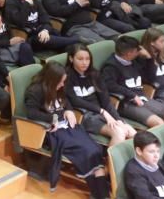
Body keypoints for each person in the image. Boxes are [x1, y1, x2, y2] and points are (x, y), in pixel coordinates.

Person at [24, 61, 109, 196]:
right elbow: (31, 113)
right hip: (52, 130)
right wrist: (52, 118)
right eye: (60, 82)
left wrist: (69, 110)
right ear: (51, 80)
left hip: (67, 126)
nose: (63, 85)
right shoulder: (35, 90)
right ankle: (100, 193)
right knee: (86, 152)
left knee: (95, 149)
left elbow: (65, 100)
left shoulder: (58, 87)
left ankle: (101, 192)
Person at [103, 35, 164, 127]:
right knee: (159, 123)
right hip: (126, 103)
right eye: (137, 50)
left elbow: (151, 77)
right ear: (129, 53)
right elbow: (109, 85)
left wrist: (149, 58)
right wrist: (132, 95)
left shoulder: (134, 61)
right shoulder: (110, 67)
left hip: (142, 98)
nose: (140, 52)